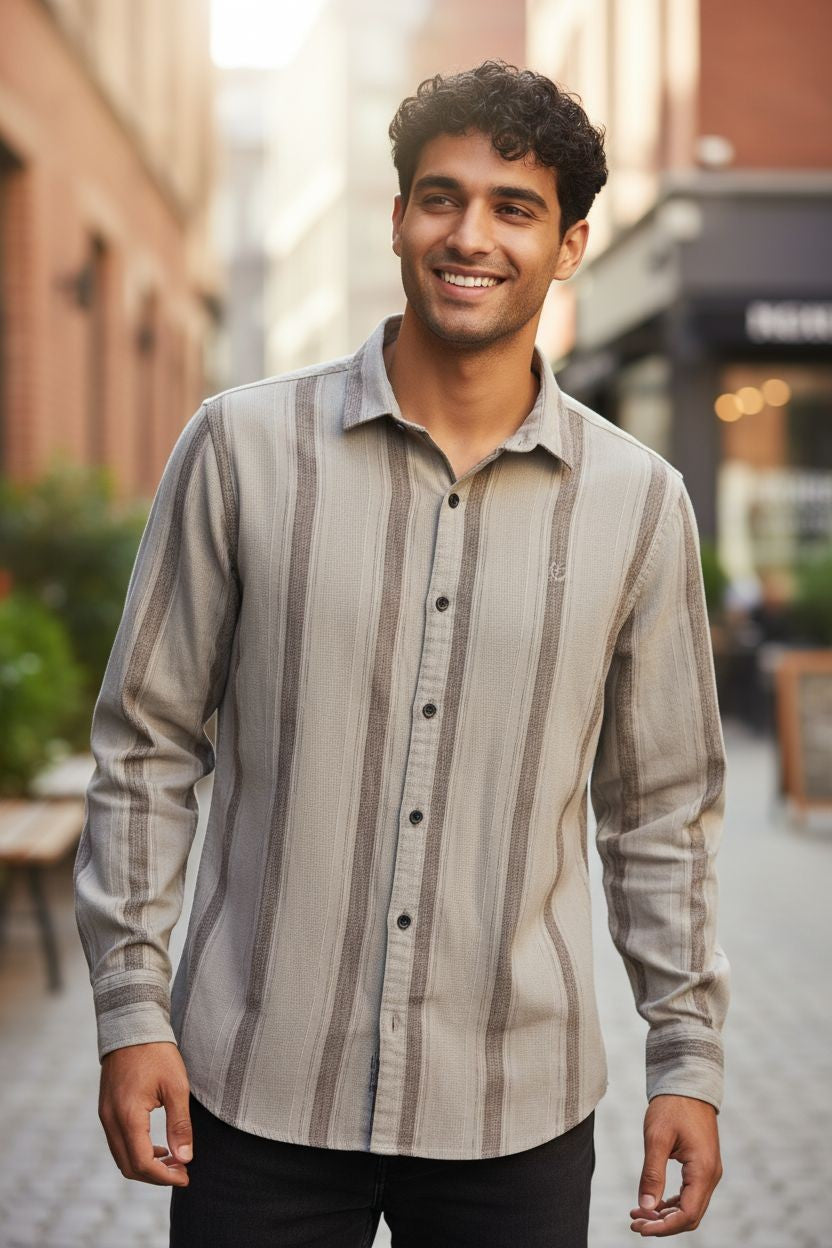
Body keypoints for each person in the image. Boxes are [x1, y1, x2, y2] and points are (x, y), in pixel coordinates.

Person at [74, 60, 729, 1247]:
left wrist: (684, 1058)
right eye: (440, 197)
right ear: (394, 218)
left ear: (571, 244)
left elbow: (661, 811)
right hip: (255, 1089)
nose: (467, 234)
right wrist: (131, 1009)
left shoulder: (641, 504)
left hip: (511, 1114)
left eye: (512, 207)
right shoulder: (237, 450)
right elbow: (146, 745)